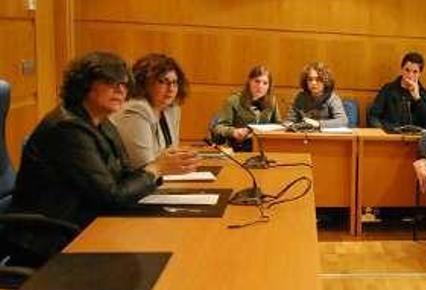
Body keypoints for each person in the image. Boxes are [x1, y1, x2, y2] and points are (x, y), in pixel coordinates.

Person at [0, 52, 198, 267]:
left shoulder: (102, 123)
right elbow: (112, 196)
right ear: (83, 86)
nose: (121, 90)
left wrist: (154, 170)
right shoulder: (68, 128)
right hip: (53, 240)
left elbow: (123, 176)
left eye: (123, 84)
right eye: (111, 83)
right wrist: (155, 168)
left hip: (88, 224)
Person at [112, 53, 191, 168]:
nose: (171, 89)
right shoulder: (136, 109)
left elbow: (173, 152)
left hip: (160, 176)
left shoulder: (172, 109)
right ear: (144, 83)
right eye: (163, 82)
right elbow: (143, 163)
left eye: (174, 82)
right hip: (136, 179)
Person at [211, 65, 281, 151]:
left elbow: (278, 124)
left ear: (269, 86)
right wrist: (234, 132)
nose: (260, 86)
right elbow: (218, 127)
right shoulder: (233, 101)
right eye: (257, 81)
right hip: (238, 148)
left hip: (263, 147)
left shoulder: (272, 101)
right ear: (249, 82)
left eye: (265, 83)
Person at [367, 52, 426, 129]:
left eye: (415, 72)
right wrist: (382, 132)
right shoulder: (388, 90)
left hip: (415, 138)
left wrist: (417, 99)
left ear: (420, 74)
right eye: (407, 70)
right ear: (402, 70)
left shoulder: (425, 95)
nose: (410, 75)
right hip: (391, 136)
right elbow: (373, 116)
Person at [286, 62, 348, 129]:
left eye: (318, 79)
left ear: (326, 81)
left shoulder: (332, 98)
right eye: (310, 79)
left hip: (325, 137)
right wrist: (290, 125)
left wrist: (319, 124)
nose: (313, 83)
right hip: (304, 136)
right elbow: (290, 120)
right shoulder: (300, 97)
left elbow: (343, 121)